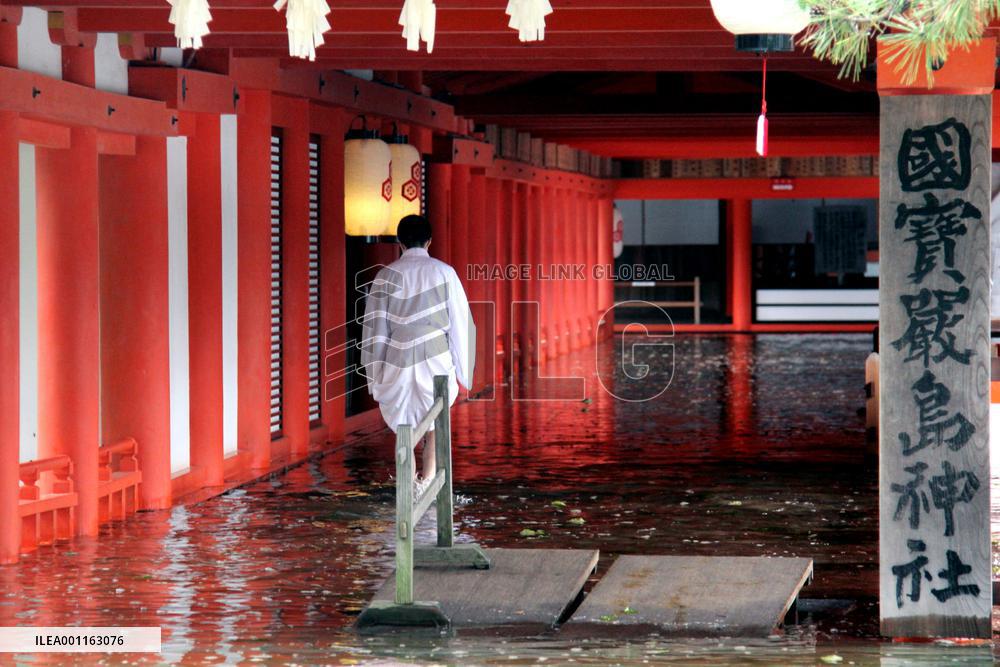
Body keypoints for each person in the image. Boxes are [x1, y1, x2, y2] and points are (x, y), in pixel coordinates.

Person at [360, 214, 475, 493]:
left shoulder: (385, 275)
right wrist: (464, 373)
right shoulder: (444, 272)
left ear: (399, 242)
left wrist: (374, 375)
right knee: (434, 422)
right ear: (430, 241)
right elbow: (461, 323)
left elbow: (375, 329)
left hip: (397, 359)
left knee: (403, 424)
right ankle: (428, 485)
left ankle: (408, 490)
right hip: (435, 358)